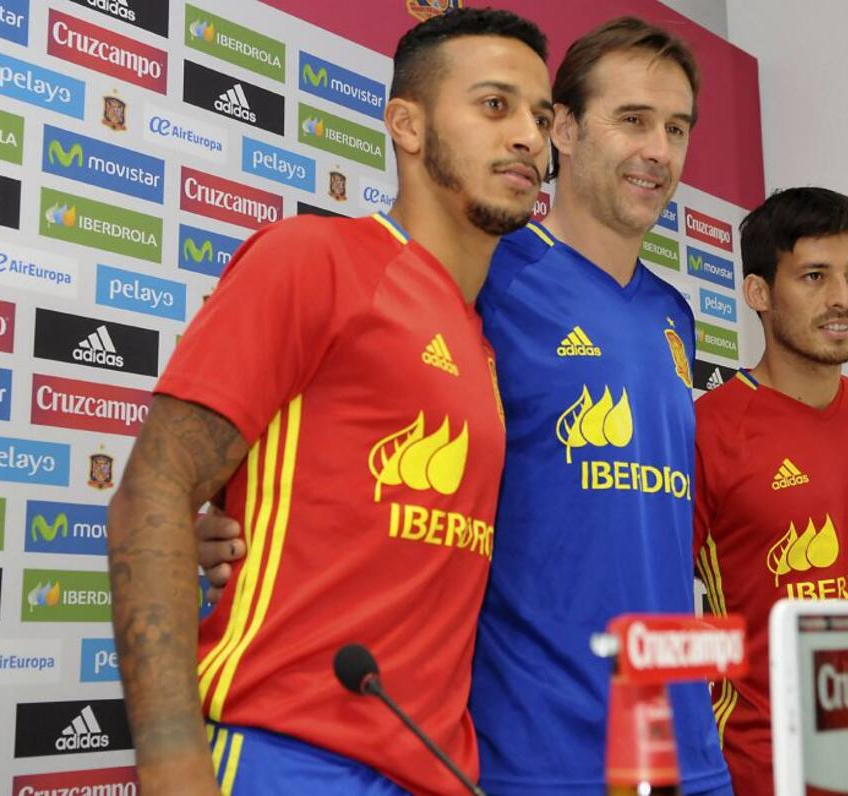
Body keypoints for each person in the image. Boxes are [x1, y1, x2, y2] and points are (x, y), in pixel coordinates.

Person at [200, 17, 733, 796]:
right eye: (633, 120)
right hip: (533, 751)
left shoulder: (674, 314)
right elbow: (343, 408)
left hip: (683, 748)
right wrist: (212, 511)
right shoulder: (485, 271)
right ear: (565, 132)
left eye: (676, 128)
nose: (659, 149)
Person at [106, 9, 553, 795]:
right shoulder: (315, 260)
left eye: (541, 118)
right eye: (495, 105)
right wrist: (173, 768)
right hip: (286, 758)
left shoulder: (482, 343)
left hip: (435, 769)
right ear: (406, 125)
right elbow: (156, 491)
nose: (529, 138)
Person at [692, 187, 848, 795]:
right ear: (758, 293)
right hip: (765, 766)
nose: (842, 299)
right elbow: (660, 601)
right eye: (814, 276)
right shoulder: (705, 430)